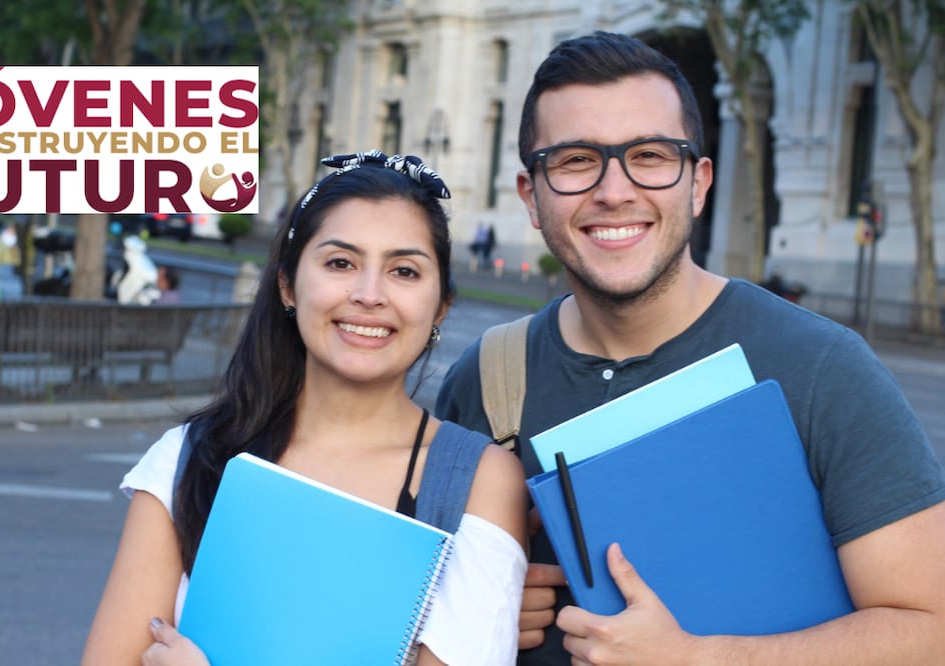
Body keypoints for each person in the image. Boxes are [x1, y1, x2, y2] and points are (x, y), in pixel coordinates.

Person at [435, 31, 945, 664]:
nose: (614, 191)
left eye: (649, 155)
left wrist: (698, 658)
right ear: (531, 196)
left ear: (698, 184)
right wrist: (475, 612)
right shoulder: (483, 380)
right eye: (575, 161)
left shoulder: (822, 368)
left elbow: (930, 631)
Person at [82, 149, 529, 665]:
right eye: (341, 263)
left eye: (404, 271)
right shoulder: (189, 457)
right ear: (288, 286)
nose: (369, 294)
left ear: (441, 307)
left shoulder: (476, 480)